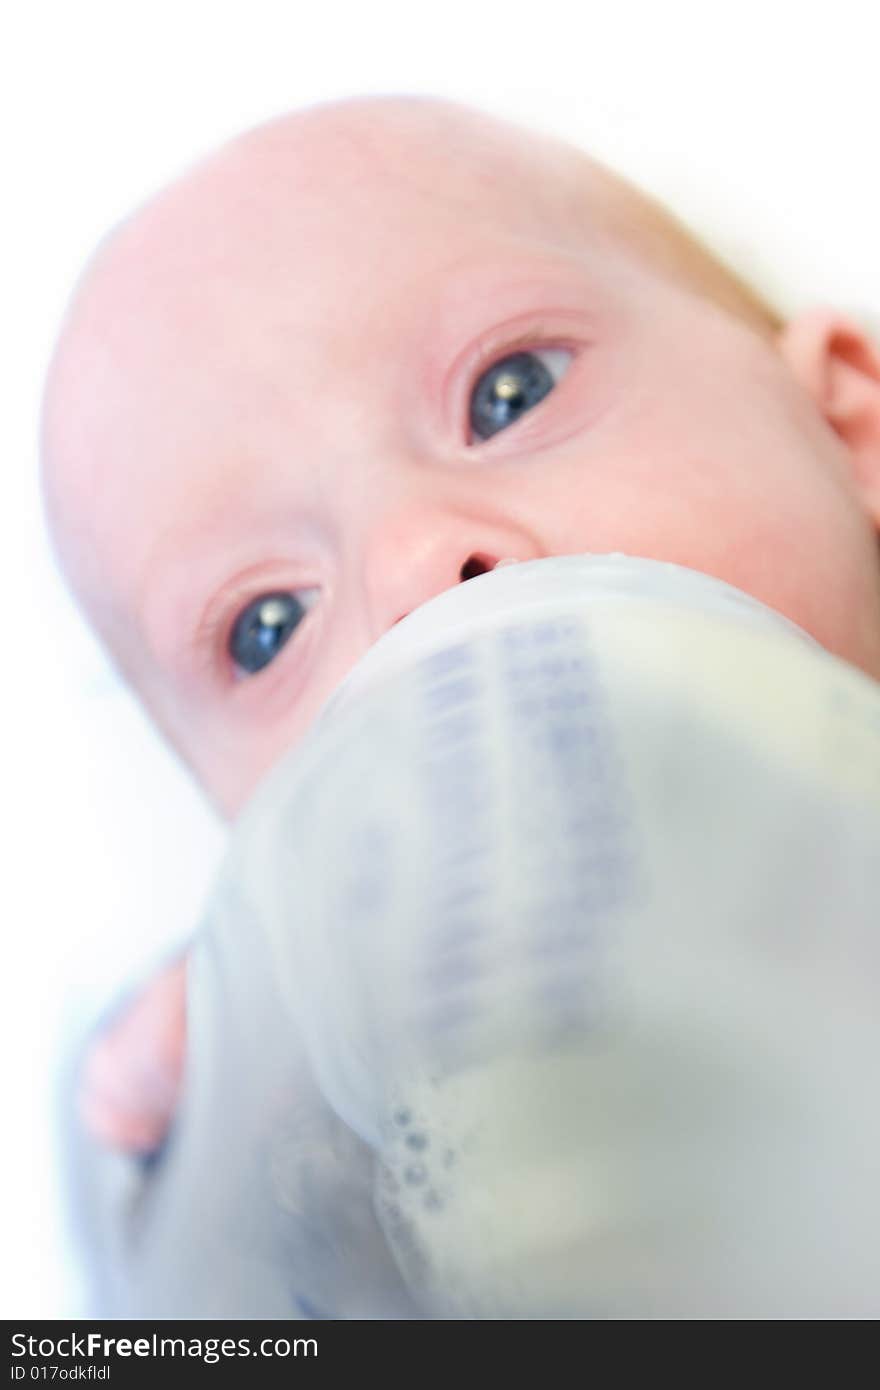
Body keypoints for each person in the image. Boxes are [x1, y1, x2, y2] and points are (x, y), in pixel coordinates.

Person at [38, 92, 880, 1155]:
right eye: (266, 627)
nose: (415, 570)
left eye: (508, 393)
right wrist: (230, 1078)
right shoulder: (364, 1112)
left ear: (845, 425)